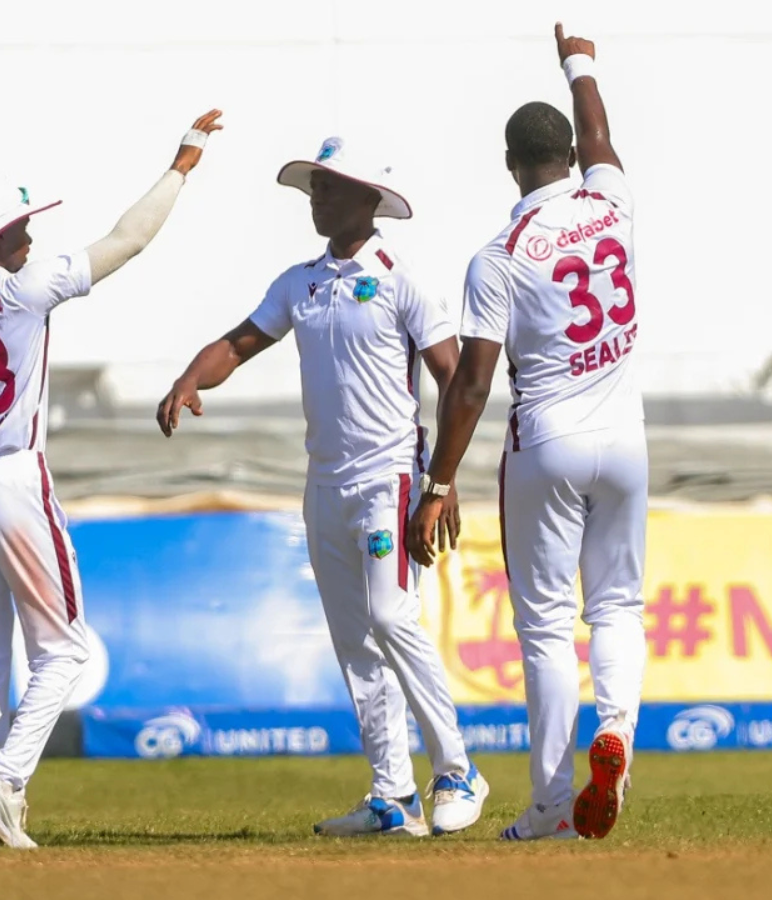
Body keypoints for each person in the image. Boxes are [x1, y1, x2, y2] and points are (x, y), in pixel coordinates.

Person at [0, 110, 223, 849]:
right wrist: (181, 168)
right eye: (19, 229)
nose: (30, 238)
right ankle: (1, 783)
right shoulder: (21, 289)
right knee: (64, 649)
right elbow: (129, 240)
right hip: (11, 475)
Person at [157, 136, 487, 838]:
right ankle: (392, 799)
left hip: (389, 477)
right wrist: (191, 376)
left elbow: (455, 380)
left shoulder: (402, 278)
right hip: (324, 482)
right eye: (314, 188)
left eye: (330, 188)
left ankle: (458, 769)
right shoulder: (298, 282)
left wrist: (442, 482)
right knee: (354, 639)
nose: (318, 198)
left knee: (393, 618)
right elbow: (240, 343)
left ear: (369, 200)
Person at [407, 23, 644, 842]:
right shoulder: (612, 198)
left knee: (545, 625)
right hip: (626, 437)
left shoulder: (500, 254)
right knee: (617, 606)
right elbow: (602, 131)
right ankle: (616, 735)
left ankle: (548, 804)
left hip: (545, 441)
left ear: (511, 166)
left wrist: (438, 483)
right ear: (573, 157)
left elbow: (471, 381)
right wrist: (578, 60)